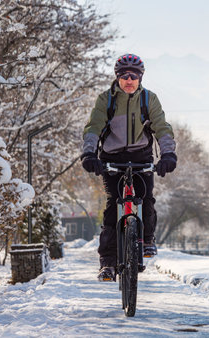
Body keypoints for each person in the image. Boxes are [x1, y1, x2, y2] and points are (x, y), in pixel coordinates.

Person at [81, 53, 177, 281]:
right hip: (112, 157)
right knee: (113, 206)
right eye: (124, 76)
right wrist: (88, 153)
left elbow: (162, 127)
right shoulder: (107, 100)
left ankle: (148, 240)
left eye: (134, 76)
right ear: (118, 78)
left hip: (141, 156)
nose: (129, 80)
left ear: (140, 78)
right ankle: (107, 263)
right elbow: (94, 127)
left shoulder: (149, 99)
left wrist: (168, 154)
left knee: (146, 198)